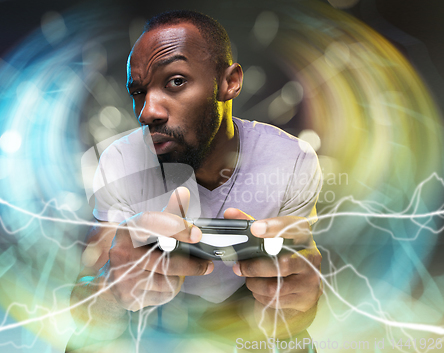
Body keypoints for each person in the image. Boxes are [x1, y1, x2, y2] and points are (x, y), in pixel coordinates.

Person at [68, 10, 322, 352]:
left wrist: (299, 302)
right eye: (138, 91)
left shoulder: (291, 159)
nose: (147, 112)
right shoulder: (121, 159)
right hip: (151, 321)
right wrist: (112, 289)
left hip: (245, 317)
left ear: (229, 82)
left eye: (175, 81)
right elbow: (85, 305)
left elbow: (296, 298)